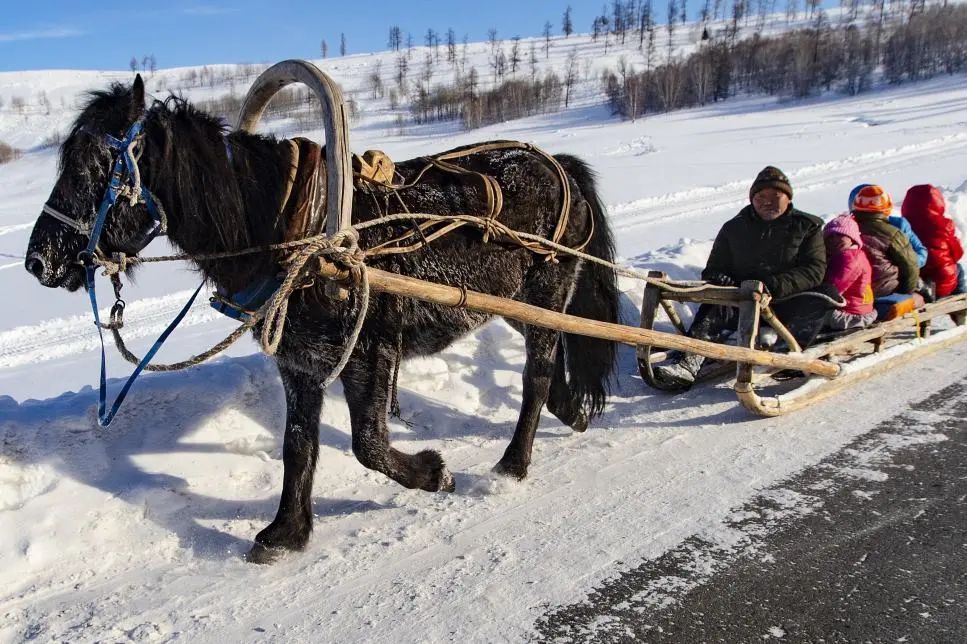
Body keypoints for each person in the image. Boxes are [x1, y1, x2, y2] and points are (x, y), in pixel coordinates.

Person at [654, 166, 836, 390]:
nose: (767, 202)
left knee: (825, 295)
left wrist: (772, 286)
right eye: (761, 196)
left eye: (775, 196)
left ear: (788, 198)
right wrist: (720, 279)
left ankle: (787, 356)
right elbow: (713, 269)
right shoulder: (734, 228)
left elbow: (814, 269)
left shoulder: (807, 226)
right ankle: (689, 361)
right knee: (715, 298)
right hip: (742, 301)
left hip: (787, 300)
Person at [901, 184, 966, 298]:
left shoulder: (903, 227)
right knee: (958, 268)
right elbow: (957, 253)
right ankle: (961, 299)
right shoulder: (944, 225)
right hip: (943, 283)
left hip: (918, 284)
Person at [848, 184, 928, 269]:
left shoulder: (899, 225)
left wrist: (900, 265)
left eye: (875, 201)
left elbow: (920, 252)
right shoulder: (848, 228)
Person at [823, 214, 876, 330]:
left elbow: (834, 288)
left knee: (806, 315)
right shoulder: (852, 255)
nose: (834, 239)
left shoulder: (849, 258)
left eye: (840, 235)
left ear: (852, 238)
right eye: (830, 236)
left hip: (852, 315)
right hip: (859, 309)